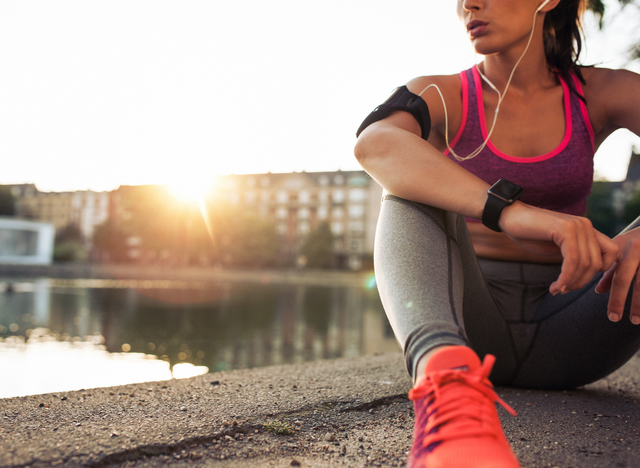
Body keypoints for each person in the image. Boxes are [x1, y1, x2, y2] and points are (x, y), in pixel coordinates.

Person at [354, 0, 640, 467]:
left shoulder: (604, 91)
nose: (469, 3)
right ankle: (449, 404)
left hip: (580, 330)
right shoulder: (441, 94)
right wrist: (510, 211)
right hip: (467, 323)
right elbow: (374, 143)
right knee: (408, 179)